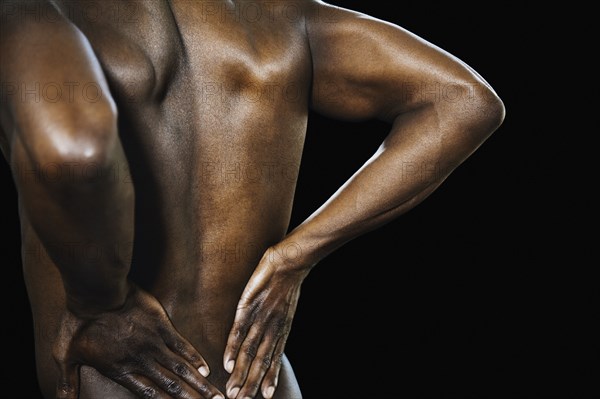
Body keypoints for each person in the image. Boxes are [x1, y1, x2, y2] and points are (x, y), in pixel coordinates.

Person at [0, 0, 505, 398]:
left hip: (127, 385)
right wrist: (294, 256)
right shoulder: (279, 15)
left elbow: (74, 154)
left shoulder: (36, 13)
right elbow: (463, 101)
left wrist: (99, 304)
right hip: (259, 385)